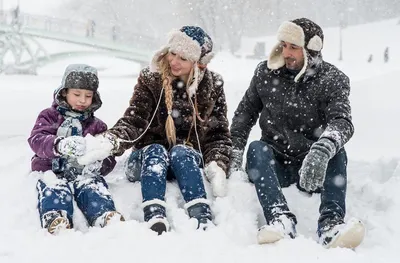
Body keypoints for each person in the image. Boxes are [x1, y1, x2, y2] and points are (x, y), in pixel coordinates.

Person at [78, 26, 232, 235]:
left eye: (183, 58)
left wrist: (217, 163)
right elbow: (134, 120)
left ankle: (201, 214)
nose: (174, 62)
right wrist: (112, 140)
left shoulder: (213, 85)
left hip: (184, 163)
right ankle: (154, 214)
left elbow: (218, 133)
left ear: (198, 64)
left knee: (182, 151)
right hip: (146, 160)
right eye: (173, 53)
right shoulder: (151, 79)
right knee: (156, 151)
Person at [229, 18, 365, 249]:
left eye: (294, 47)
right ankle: (280, 218)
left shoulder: (332, 80)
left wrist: (322, 149)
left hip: (314, 168)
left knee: (337, 151)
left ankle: (331, 224)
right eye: (283, 45)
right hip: (275, 164)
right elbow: (244, 115)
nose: (286, 52)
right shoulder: (265, 73)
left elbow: (342, 121)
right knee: (256, 149)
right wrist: (233, 152)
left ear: (311, 50)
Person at [28, 64, 124, 234]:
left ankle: (103, 214)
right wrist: (59, 145)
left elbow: (107, 155)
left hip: (83, 173)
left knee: (93, 186)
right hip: (51, 170)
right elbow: (37, 139)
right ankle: (56, 216)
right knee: (54, 187)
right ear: (64, 92)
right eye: (77, 94)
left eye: (88, 96)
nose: (82, 100)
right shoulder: (49, 116)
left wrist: (99, 164)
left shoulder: (97, 126)